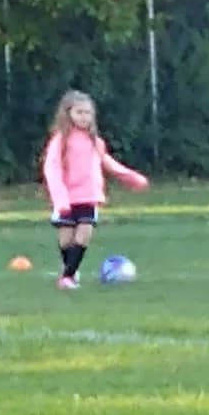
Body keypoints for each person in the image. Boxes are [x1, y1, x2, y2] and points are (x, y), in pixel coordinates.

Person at [42, 90, 148, 290]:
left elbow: (107, 162)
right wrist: (60, 199)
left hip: (88, 196)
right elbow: (52, 169)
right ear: (68, 114)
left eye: (88, 113)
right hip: (66, 198)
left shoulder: (95, 141)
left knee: (84, 234)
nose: (84, 117)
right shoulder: (60, 141)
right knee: (66, 240)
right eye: (79, 112)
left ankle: (68, 276)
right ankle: (69, 268)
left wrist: (132, 178)